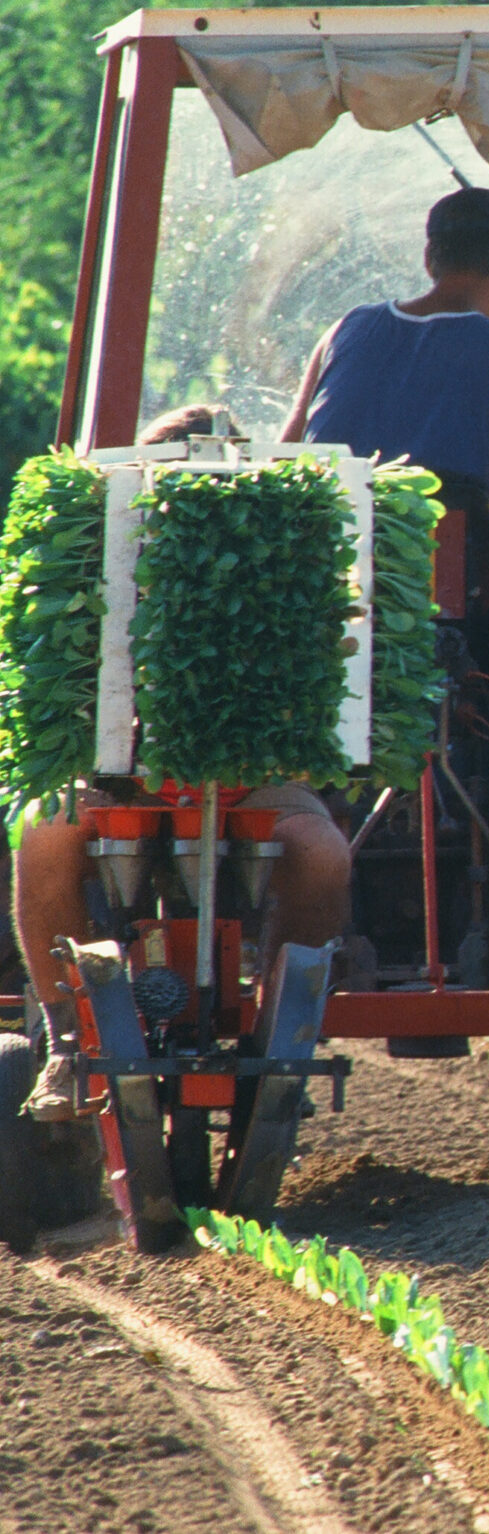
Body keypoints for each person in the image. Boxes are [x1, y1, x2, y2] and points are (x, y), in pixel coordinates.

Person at [13, 406, 358, 1119]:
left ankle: (279, 1040)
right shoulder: (94, 556)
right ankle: (68, 1040)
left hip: (253, 778)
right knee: (45, 838)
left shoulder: (279, 566)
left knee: (321, 851)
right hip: (118, 774)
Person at [282, 186, 489, 573]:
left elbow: (284, 460)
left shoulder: (345, 330)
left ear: (429, 259)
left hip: (324, 579)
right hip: (444, 593)